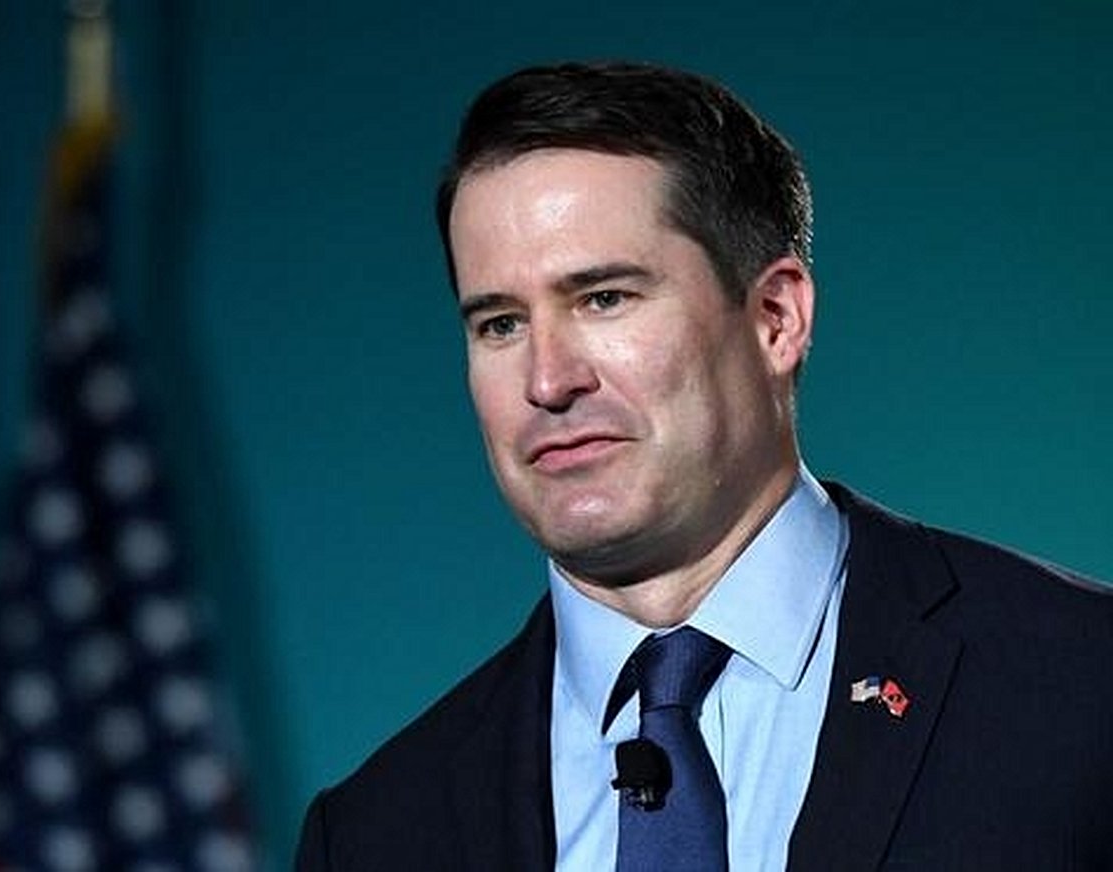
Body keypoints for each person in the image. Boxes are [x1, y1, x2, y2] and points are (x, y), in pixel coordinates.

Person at [295, 62, 1113, 871]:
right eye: (500, 324)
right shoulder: (371, 837)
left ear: (775, 318)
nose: (548, 381)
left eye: (603, 298)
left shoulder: (1082, 682)